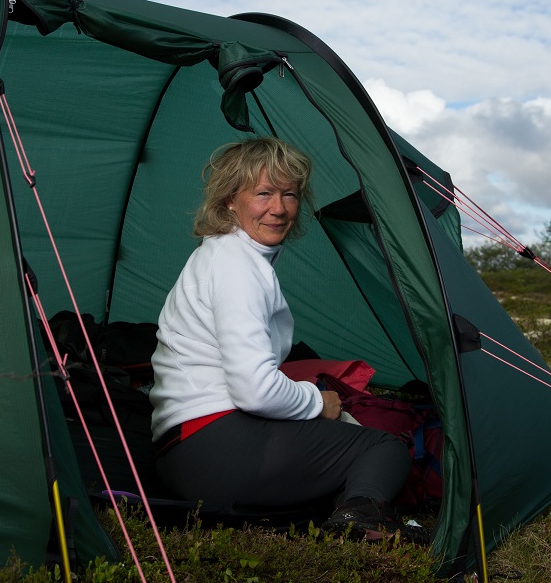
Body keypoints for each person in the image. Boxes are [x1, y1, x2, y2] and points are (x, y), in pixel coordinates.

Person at [149, 136, 423, 541]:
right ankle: (360, 518)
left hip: (187, 449)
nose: (278, 208)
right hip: (211, 448)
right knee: (383, 449)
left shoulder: (225, 255)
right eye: (263, 194)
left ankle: (346, 509)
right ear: (230, 201)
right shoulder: (236, 266)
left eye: (289, 195)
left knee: (344, 440)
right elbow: (255, 390)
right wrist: (318, 403)